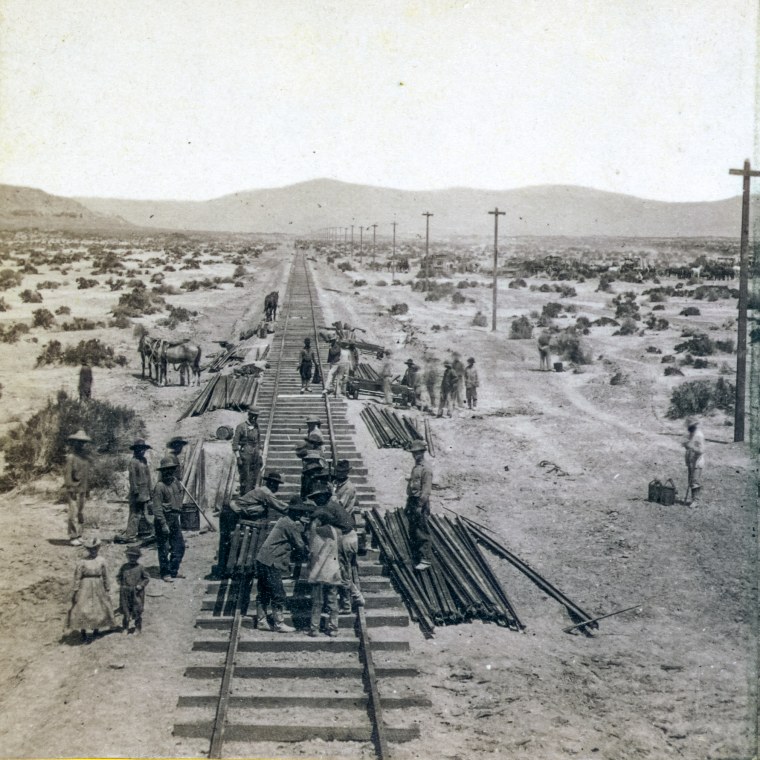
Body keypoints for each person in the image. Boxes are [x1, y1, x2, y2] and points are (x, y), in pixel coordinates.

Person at [216, 471, 287, 576]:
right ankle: (223, 570)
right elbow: (282, 507)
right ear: (271, 483)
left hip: (231, 512)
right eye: (276, 484)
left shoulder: (263, 491)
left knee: (227, 541)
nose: (277, 487)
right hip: (231, 513)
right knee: (228, 541)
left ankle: (224, 569)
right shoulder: (266, 492)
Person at [254, 498, 308, 632]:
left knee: (264, 591)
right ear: (296, 513)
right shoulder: (290, 525)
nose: (303, 515)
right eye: (301, 513)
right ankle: (279, 623)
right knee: (278, 592)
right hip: (271, 561)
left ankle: (261, 620)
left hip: (263, 559)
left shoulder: (284, 520)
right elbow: (300, 545)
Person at [309, 485, 364, 612]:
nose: (316, 500)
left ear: (324, 496)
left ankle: (350, 602)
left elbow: (317, 515)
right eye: (314, 497)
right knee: (341, 571)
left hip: (345, 538)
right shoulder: (332, 504)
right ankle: (351, 599)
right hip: (347, 536)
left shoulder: (327, 507)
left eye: (318, 497)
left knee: (342, 572)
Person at [66, 536, 116, 641]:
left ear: (98, 548)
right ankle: (83, 631)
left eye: (95, 548)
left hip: (98, 585)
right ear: (88, 550)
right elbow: (77, 577)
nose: (93, 551)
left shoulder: (102, 560)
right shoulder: (82, 562)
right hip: (85, 586)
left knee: (98, 607)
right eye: (91, 549)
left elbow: (106, 575)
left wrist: (107, 588)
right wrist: (76, 589)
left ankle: (96, 631)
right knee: (83, 607)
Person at [306, 509, 342, 637]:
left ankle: (314, 628)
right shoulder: (335, 531)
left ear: (319, 520)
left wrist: (312, 575)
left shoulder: (319, 534)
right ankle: (334, 628)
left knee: (317, 602)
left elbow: (316, 555)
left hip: (320, 573)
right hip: (333, 571)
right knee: (332, 601)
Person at [152, 457, 185, 582]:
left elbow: (180, 498)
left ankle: (173, 571)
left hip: (174, 519)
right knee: (164, 548)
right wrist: (163, 524)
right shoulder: (159, 487)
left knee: (180, 546)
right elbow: (157, 508)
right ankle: (165, 573)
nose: (169, 473)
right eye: (166, 471)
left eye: (171, 470)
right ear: (162, 472)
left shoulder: (176, 483)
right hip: (164, 520)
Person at [116, 439, 152, 544]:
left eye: (143, 449)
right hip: (137, 493)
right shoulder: (133, 462)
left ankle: (145, 532)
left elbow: (148, 476)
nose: (142, 451)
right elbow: (133, 478)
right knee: (135, 514)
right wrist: (136, 492)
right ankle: (130, 535)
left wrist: (150, 490)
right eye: (139, 449)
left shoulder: (144, 461)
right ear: (135, 450)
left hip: (145, 492)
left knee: (144, 513)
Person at [405, 440, 433, 571]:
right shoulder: (416, 467)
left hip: (419, 502)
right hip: (412, 500)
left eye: (417, 453)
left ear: (422, 453)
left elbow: (426, 490)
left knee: (421, 530)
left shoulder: (425, 469)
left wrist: (420, 505)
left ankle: (425, 558)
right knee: (413, 528)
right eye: (413, 453)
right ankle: (417, 556)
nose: (415, 455)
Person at [64, 429, 92, 546]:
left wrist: (87, 490)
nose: (81, 444)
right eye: (78, 442)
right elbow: (67, 475)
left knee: (81, 513)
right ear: (74, 443)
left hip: (83, 489)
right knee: (73, 513)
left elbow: (86, 475)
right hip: (74, 490)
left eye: (83, 442)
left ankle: (80, 535)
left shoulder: (85, 458)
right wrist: (71, 488)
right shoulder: (71, 457)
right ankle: (73, 536)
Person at [117, 546, 150, 633]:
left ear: (138, 557)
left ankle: (137, 628)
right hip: (125, 591)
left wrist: (141, 585)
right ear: (127, 557)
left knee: (137, 609)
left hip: (137, 592)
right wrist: (121, 584)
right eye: (130, 556)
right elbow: (119, 577)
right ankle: (125, 627)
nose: (132, 558)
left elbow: (146, 578)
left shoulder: (140, 567)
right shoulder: (124, 567)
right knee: (125, 609)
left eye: (134, 557)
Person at [232, 408, 262, 495]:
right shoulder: (241, 426)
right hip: (245, 454)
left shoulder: (257, 427)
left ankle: (251, 497)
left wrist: (260, 456)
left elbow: (259, 442)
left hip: (255, 453)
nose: (254, 418)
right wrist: (238, 457)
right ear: (249, 415)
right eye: (252, 415)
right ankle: (243, 496)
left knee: (254, 476)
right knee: (245, 476)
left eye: (256, 416)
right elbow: (235, 444)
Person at [684, 419, 705, 506]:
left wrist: (691, 447)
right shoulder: (691, 434)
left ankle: (696, 501)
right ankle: (693, 499)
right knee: (691, 480)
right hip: (691, 461)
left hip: (697, 462)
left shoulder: (698, 435)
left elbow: (701, 450)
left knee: (695, 481)